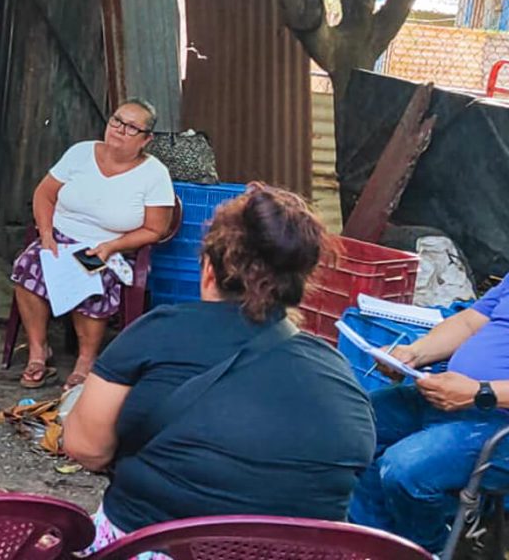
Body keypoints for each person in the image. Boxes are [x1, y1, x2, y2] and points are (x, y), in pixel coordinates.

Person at [62, 184, 376, 555]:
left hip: (155, 544)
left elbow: (86, 448)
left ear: (210, 270)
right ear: (300, 285)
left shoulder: (158, 331)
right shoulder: (339, 374)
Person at [10, 99, 175, 389]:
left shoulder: (154, 174)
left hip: (108, 247)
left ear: (146, 139)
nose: (120, 130)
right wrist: (46, 235)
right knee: (28, 267)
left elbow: (155, 229)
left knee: (88, 276)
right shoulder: (80, 153)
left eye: (132, 127)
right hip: (59, 237)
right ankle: (38, 351)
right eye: (117, 121)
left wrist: (113, 246)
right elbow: (44, 195)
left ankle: (86, 360)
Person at [348, 275, 509, 554]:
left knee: (406, 469)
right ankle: (369, 546)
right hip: (457, 396)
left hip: (498, 420)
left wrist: (482, 392)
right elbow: (470, 322)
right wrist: (413, 354)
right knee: (351, 422)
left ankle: (431, 550)